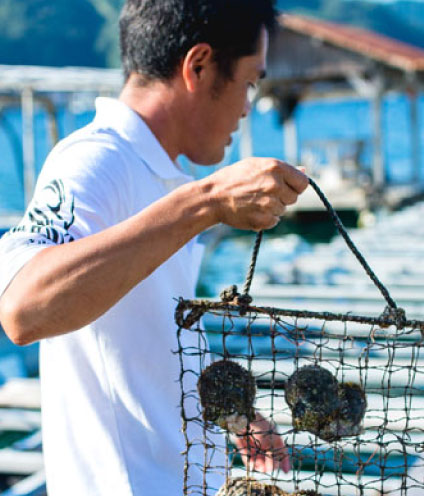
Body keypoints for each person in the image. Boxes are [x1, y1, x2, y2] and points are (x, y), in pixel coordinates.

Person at [0, 0, 307, 494]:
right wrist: (207, 200)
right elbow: (23, 309)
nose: (249, 106)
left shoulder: (163, 175)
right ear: (199, 66)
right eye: (249, 82)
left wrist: (233, 413)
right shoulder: (95, 160)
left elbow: (147, 334)